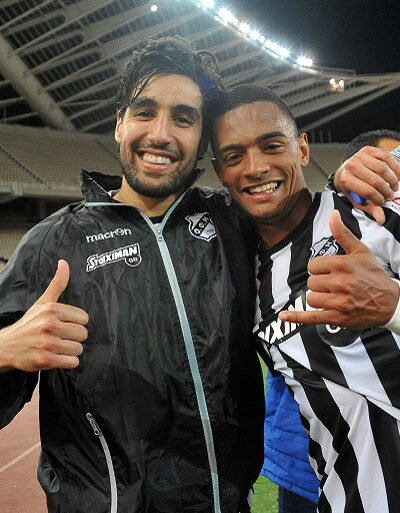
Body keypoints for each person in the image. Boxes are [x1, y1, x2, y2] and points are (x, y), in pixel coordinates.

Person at [0, 36, 266, 513]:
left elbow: (316, 227)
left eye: (183, 118)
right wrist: (3, 350)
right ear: (119, 122)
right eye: (145, 112)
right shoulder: (52, 244)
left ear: (202, 139)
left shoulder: (234, 225)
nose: (161, 134)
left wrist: (351, 181)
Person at [210, 83, 400, 513]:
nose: (255, 167)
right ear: (220, 173)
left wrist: (393, 307)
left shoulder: (370, 209)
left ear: (302, 148)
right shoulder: (242, 285)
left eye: (271, 145)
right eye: (234, 156)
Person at [259, 128, 400, 513]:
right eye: (380, 168)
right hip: (302, 458)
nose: (389, 182)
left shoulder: (383, 235)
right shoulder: (275, 264)